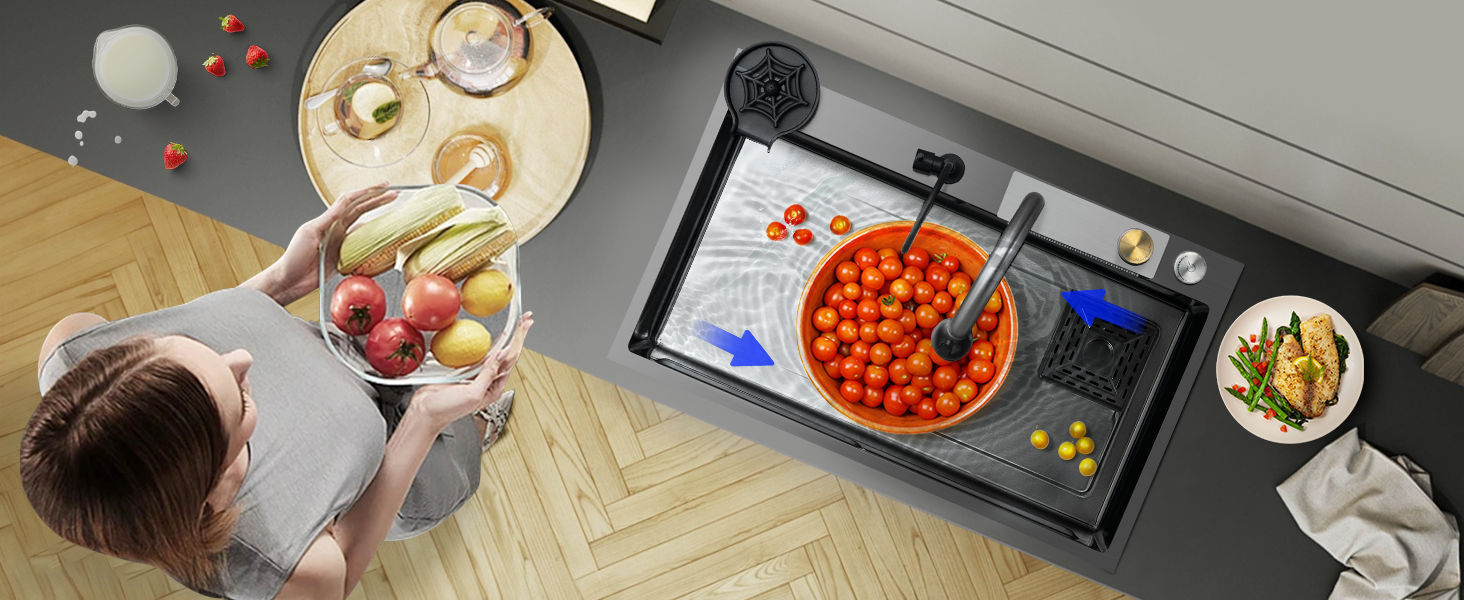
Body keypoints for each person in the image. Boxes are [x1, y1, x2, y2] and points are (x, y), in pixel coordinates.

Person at [21, 183, 530, 600]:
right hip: (401, 466)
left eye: (191, 344)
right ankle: (477, 430)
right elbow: (346, 559)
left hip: (361, 338)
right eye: (241, 397)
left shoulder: (72, 348)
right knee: (457, 442)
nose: (243, 358)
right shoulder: (274, 567)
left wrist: (281, 284)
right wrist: (424, 418)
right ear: (224, 489)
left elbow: (216, 324)